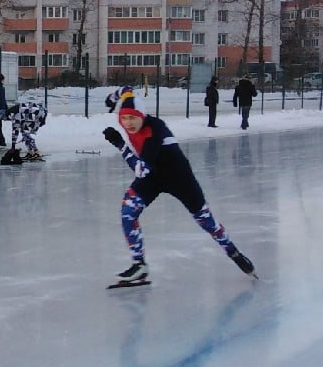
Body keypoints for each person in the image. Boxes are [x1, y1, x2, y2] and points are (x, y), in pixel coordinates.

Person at [101, 85, 253, 288]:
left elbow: (140, 170)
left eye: (133, 118)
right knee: (128, 211)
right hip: (154, 176)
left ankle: (233, 252)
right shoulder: (131, 110)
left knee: (207, 221)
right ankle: (139, 265)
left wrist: (120, 144)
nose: (128, 123)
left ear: (142, 116)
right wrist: (112, 98)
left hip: (179, 178)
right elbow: (127, 90)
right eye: (124, 118)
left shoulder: (154, 130)